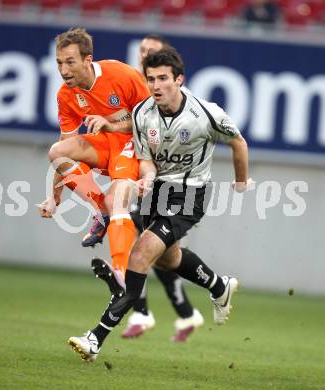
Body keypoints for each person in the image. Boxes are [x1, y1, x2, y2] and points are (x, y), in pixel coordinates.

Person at [68, 46, 251, 362]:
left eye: (163, 78)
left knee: (139, 256)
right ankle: (220, 286)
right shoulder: (142, 114)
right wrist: (148, 177)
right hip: (156, 192)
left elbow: (238, 142)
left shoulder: (206, 114)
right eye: (150, 78)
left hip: (188, 197)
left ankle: (95, 339)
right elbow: (146, 160)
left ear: (179, 80)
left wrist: (240, 180)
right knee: (168, 259)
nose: (155, 85)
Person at [37, 27, 150, 279]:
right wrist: (55, 198)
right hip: (103, 144)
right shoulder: (66, 95)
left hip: (131, 144)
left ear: (88, 60)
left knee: (117, 198)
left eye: (70, 62)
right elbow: (66, 147)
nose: (64, 70)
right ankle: (102, 211)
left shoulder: (121, 75)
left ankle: (121, 272)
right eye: (59, 62)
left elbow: (151, 121)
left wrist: (112, 125)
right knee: (58, 152)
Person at [121, 34, 204, 342]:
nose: (144, 55)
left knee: (148, 248)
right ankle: (181, 313)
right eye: (142, 51)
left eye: (151, 52)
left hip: (167, 186)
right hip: (140, 173)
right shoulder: (138, 93)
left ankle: (144, 312)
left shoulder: (176, 99)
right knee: (151, 250)